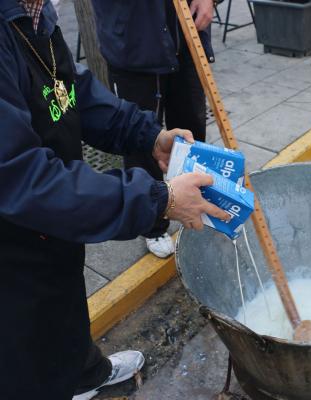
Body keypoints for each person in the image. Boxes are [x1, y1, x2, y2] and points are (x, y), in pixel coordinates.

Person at [0, 1, 230, 399]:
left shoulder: (34, 12)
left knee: (63, 299)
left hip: (50, 230)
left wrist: (147, 135)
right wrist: (159, 200)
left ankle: (83, 375)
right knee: (25, 351)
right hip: (14, 240)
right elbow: (20, 176)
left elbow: (70, 90)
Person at [91, 0, 215, 258]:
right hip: (135, 43)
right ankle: (153, 224)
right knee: (140, 141)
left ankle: (199, 206)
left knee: (192, 130)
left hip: (186, 36)